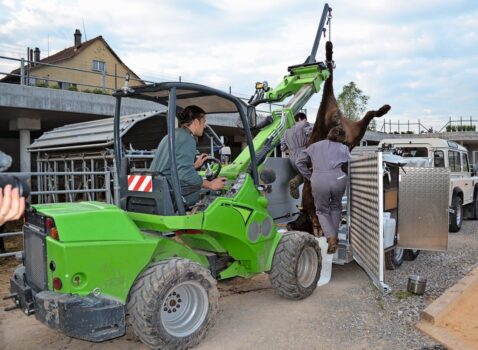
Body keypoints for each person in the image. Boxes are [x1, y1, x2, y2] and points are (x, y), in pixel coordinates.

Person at [150, 105, 226, 207]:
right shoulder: (187, 139)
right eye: (203, 122)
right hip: (172, 193)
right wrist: (211, 184)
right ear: (195, 122)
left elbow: (171, 168)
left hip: (158, 189)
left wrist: (194, 166)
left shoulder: (170, 135)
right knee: (211, 194)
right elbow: (185, 174)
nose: (204, 126)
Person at [295, 126, 350, 254]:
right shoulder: (344, 148)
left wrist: (309, 176)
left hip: (319, 180)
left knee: (322, 211)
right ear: (342, 138)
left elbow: (299, 162)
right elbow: (350, 164)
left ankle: (331, 239)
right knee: (336, 207)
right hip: (339, 178)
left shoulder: (314, 146)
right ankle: (334, 237)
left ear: (329, 134)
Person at [280, 112, 312, 198]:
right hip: (304, 154)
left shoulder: (286, 132)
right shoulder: (304, 124)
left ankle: (295, 181)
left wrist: (292, 147)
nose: (306, 121)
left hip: (292, 159)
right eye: (305, 119)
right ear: (300, 119)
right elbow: (311, 135)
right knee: (311, 172)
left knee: (303, 174)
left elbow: (282, 148)